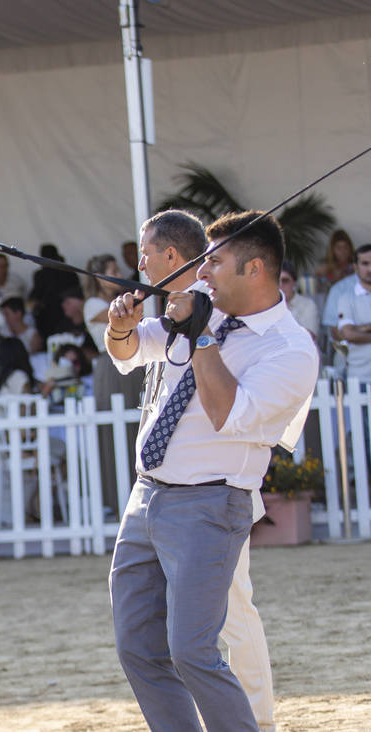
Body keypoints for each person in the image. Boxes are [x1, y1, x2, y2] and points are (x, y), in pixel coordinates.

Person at [106, 210, 319, 732]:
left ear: (255, 270)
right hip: (147, 497)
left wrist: (202, 338)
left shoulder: (290, 349)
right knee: (136, 647)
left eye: (214, 262)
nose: (202, 274)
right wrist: (120, 328)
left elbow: (228, 414)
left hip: (209, 505)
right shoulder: (203, 312)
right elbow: (131, 353)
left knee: (193, 651)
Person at [134, 208, 281, 732]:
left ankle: (256, 721)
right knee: (206, 623)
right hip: (169, 490)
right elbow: (137, 349)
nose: (139, 263)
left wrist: (195, 314)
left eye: (145, 253)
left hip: (218, 491)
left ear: (172, 255)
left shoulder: (215, 304)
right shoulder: (176, 307)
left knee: (232, 615)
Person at [84, 253, 142, 512]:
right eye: (113, 271)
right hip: (110, 365)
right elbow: (115, 319)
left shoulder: (120, 300)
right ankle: (115, 497)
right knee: (112, 432)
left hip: (132, 361)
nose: (119, 276)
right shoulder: (93, 303)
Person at [29, 243, 82, 340]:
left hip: (53, 316)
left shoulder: (41, 275)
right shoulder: (70, 273)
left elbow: (36, 296)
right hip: (65, 314)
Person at [337, 242, 371, 381]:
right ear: (356, 267)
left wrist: (362, 328)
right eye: (365, 263)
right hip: (360, 377)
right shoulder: (346, 298)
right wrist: (354, 331)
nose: (370, 268)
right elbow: (348, 334)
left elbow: (353, 332)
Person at [280, 260, 318, 339]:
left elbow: (309, 336)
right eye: (277, 281)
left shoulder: (308, 305)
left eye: (285, 281)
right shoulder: (267, 306)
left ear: (294, 283)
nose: (280, 285)